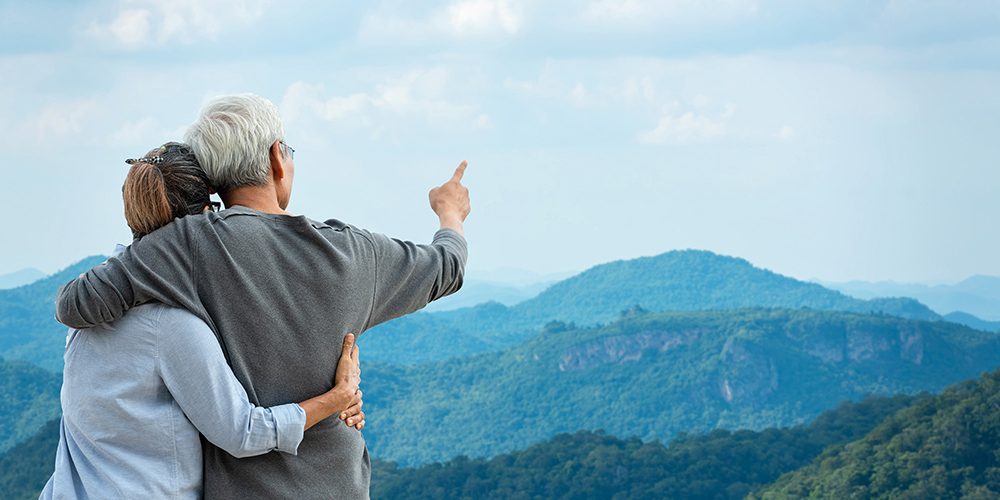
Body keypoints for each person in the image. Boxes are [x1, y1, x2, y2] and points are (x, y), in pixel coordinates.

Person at [55, 94, 471, 498]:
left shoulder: (182, 246)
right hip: (336, 486)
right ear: (277, 157)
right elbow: (447, 269)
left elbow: (78, 304)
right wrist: (449, 212)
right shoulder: (356, 253)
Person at [42, 143, 366, 499]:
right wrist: (336, 399)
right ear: (204, 218)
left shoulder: (95, 302)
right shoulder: (170, 324)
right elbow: (244, 432)